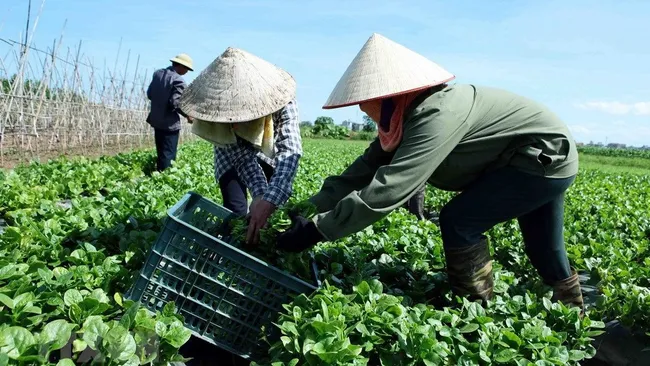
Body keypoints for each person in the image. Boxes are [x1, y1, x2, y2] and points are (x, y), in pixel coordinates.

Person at [275, 33, 584, 313]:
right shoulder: (408, 114)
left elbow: (393, 186)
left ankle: (478, 310)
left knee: (461, 220)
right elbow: (363, 171)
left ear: (389, 96)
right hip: (536, 156)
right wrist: (308, 209)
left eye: (365, 101)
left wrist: (316, 230)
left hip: (542, 159)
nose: (361, 110)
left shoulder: (436, 113)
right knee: (545, 244)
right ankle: (572, 310)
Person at [179, 47, 302, 246]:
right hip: (229, 157)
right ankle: (235, 250)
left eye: (241, 116)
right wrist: (259, 194)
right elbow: (242, 159)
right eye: (230, 119)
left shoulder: (281, 99)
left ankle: (266, 252)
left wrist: (269, 199)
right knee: (235, 211)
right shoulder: (215, 109)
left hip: (266, 152)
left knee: (273, 213)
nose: (234, 124)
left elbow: (290, 150)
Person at [146, 53, 194, 172]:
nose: (187, 72)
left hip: (156, 120)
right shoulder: (178, 80)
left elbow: (150, 94)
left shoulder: (157, 74)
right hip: (169, 124)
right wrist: (188, 115)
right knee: (168, 154)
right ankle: (166, 178)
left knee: (161, 151)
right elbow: (175, 103)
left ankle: (158, 174)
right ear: (181, 66)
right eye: (187, 69)